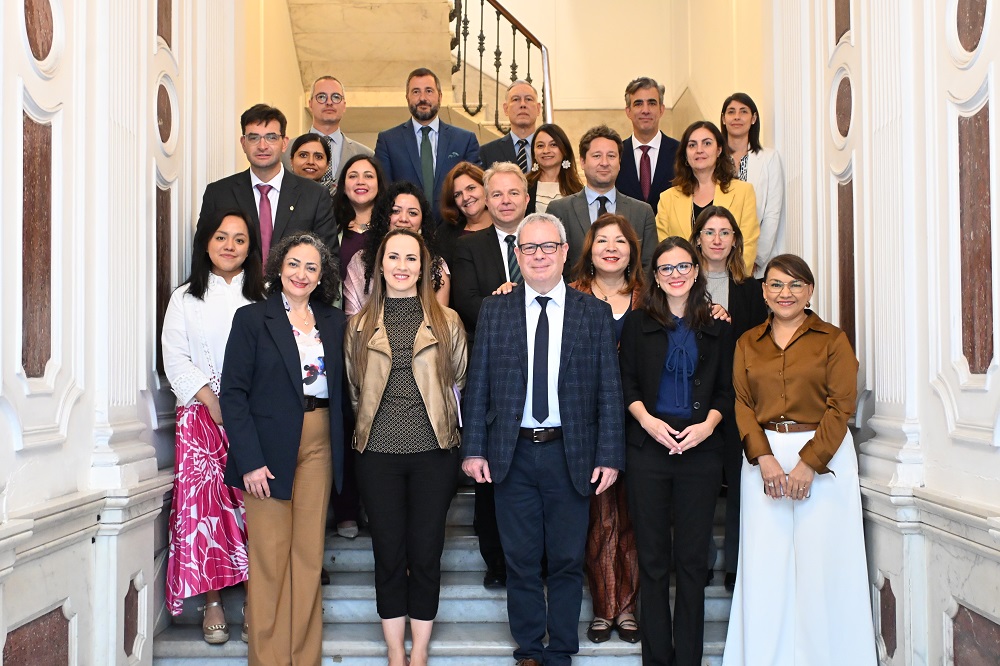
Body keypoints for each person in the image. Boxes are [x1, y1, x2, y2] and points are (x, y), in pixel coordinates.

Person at [462, 212, 625, 666]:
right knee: (520, 559)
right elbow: (479, 383)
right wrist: (473, 447)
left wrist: (610, 455)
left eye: (547, 247)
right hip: (510, 452)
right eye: (529, 248)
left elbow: (609, 390)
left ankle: (562, 651)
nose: (538, 256)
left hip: (569, 454)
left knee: (569, 559)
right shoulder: (496, 310)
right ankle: (530, 649)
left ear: (564, 252)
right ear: (517, 255)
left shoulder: (593, 313)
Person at [723, 254, 878, 666]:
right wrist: (763, 458)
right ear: (763, 292)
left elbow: (842, 404)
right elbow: (741, 403)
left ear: (810, 291)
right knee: (764, 565)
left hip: (825, 456)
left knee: (824, 565)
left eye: (794, 285)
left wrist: (810, 463)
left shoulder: (832, 340)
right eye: (775, 284)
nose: (785, 293)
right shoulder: (746, 343)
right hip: (764, 457)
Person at [220, 233, 346, 666]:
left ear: (321, 276)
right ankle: (269, 659)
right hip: (268, 450)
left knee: (308, 556)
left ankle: (303, 658)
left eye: (311, 267)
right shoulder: (252, 319)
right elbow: (233, 394)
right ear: (278, 267)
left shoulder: (333, 321)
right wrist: (250, 461)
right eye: (294, 264)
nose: (301, 273)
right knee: (271, 558)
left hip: (320, 443)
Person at [345, 229, 468, 666]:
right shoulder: (359, 326)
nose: (401, 265)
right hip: (377, 456)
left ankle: (421, 653)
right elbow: (356, 391)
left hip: (434, 453)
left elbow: (459, 385)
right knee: (389, 552)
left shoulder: (447, 321)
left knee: (426, 550)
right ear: (380, 265)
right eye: (393, 257)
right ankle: (396, 652)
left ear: (423, 266)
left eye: (411, 258)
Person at [619, 236, 734, 666]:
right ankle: (657, 659)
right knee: (651, 561)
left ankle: (688, 659)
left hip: (701, 450)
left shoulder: (719, 325)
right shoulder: (637, 323)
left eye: (683, 266)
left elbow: (727, 390)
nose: (675, 275)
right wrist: (647, 421)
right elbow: (626, 383)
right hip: (649, 448)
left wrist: (707, 427)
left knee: (690, 563)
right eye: (666, 269)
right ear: (655, 276)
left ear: (696, 270)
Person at [162, 210, 264, 643]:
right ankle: (215, 601)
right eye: (221, 237)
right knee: (207, 510)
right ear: (206, 242)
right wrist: (212, 401)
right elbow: (175, 356)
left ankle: (261, 599)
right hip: (201, 418)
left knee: (254, 505)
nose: (229, 246)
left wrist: (242, 406)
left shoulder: (266, 296)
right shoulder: (184, 297)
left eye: (239, 240)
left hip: (257, 416)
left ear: (250, 248)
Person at [449, 162, 531, 589]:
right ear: (485, 199)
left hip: (542, 369)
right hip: (492, 370)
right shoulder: (470, 245)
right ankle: (495, 561)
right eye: (496, 194)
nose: (505, 201)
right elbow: (466, 303)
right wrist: (507, 304)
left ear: (526, 196)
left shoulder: (544, 239)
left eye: (512, 193)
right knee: (491, 469)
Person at [567, 214, 643, 644]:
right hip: (585, 423)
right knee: (597, 519)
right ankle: (603, 607)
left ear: (632, 250)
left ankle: (627, 608)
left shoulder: (648, 298)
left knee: (630, 517)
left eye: (620, 241)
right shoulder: (572, 295)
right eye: (602, 241)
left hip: (639, 423)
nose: (611, 247)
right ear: (589, 250)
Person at [689, 206, 768, 592]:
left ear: (736, 239)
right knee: (699, 486)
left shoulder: (753, 290)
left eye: (724, 232)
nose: (717, 239)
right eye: (709, 231)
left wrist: (728, 323)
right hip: (694, 399)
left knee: (741, 484)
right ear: (698, 239)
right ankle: (699, 560)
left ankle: (737, 564)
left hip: (739, 397)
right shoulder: (681, 282)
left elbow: (759, 344)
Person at [196, 104, 339, 264]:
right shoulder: (219, 193)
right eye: (254, 137)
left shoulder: (315, 195)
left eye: (271, 137)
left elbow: (329, 258)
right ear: (243, 143)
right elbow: (201, 254)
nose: (262, 146)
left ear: (284, 143)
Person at [547, 125, 657, 275]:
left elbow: (648, 268)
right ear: (583, 161)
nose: (604, 163)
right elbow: (553, 265)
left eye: (611, 156)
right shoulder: (559, 210)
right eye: (597, 156)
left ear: (619, 162)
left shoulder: (642, 212)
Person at [374, 68, 480, 220]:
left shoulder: (465, 140)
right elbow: (384, 193)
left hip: (455, 231)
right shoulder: (388, 141)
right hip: (405, 231)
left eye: (429, 91)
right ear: (407, 98)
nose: (423, 98)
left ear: (440, 97)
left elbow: (475, 191)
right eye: (416, 92)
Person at [655, 120, 758, 274]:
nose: (699, 150)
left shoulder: (743, 192)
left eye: (707, 143)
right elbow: (665, 250)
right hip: (683, 286)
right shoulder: (667, 199)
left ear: (719, 150)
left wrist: (724, 281)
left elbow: (747, 246)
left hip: (731, 285)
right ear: (685, 154)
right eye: (692, 145)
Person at [343, 181, 450, 315]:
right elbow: (352, 322)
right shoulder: (360, 261)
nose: (403, 218)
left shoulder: (436, 266)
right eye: (395, 211)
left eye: (412, 213)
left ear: (422, 222)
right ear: (383, 217)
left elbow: (439, 324)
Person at [721, 92, 786, 276]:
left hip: (757, 261)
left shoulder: (769, 158)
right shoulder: (714, 159)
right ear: (724, 119)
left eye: (743, 111)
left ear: (753, 118)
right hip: (718, 254)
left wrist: (756, 257)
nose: (737, 117)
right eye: (731, 112)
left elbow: (773, 212)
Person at [282, 75, 374, 196]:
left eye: (336, 97)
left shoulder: (366, 155)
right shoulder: (284, 151)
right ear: (310, 104)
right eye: (321, 97)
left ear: (344, 105)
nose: (329, 102)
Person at [616, 77, 681, 215]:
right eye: (638, 104)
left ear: (661, 109)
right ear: (628, 111)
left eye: (652, 103)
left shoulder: (681, 152)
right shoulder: (616, 154)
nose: (645, 110)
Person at [332, 154, 388, 284]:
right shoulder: (330, 227)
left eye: (368, 176)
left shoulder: (392, 227)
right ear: (344, 187)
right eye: (353, 176)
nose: (360, 181)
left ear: (379, 185)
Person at [437, 161, 493, 266]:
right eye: (457, 194)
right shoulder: (446, 233)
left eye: (471, 188)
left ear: (485, 187)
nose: (466, 198)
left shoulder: (505, 223)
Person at [479, 80, 542, 171]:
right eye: (516, 99)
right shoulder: (487, 153)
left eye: (528, 99)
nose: (523, 104)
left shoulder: (550, 152)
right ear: (506, 109)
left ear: (538, 108)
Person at [526, 123, 584, 214]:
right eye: (540, 146)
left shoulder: (578, 190)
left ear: (564, 150)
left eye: (553, 145)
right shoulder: (524, 185)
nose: (546, 151)